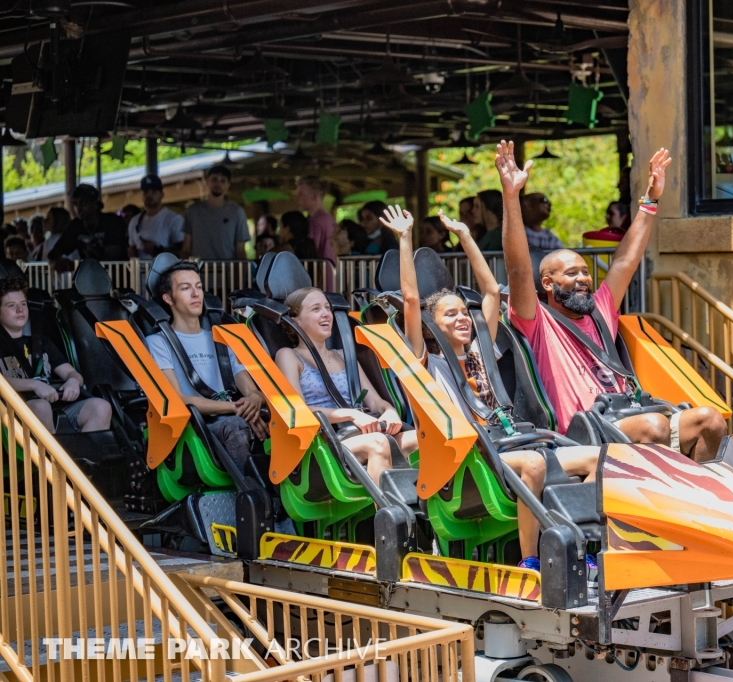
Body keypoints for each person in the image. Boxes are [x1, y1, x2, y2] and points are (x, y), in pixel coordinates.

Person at [379, 204, 598, 571]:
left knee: (596, 458)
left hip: (509, 444)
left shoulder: (481, 350)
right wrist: (405, 240)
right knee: (532, 464)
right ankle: (531, 560)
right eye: (451, 315)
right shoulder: (426, 362)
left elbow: (491, 294)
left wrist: (466, 236)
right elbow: (412, 301)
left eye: (464, 312)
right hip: (466, 465)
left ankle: (585, 548)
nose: (464, 318)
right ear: (432, 327)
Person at [500, 141, 727, 462]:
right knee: (653, 427)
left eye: (585, 271)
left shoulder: (599, 313)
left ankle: (705, 499)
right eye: (571, 273)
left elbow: (624, 262)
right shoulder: (536, 321)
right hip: (581, 434)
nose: (583, 279)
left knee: (710, 421)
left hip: (626, 414)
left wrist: (651, 200)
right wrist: (511, 197)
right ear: (548, 283)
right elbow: (519, 270)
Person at [275, 286, 416, 485]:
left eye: (327, 308)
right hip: (324, 442)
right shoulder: (289, 355)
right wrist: (352, 414)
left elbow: (375, 402)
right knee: (378, 444)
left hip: (364, 432)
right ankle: (390, 513)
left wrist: (390, 411)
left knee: (424, 440)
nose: (326, 314)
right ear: (295, 320)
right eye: (316, 309)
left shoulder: (344, 356)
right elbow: (298, 411)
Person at [146, 262, 267, 470]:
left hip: (233, 415)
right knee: (235, 425)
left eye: (199, 287)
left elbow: (250, 389)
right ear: (168, 298)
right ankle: (253, 494)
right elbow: (177, 400)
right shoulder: (158, 342)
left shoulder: (221, 338)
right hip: (195, 427)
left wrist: (255, 400)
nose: (196, 294)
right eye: (185, 288)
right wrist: (235, 408)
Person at [0, 277, 111, 434]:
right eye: (11, 305)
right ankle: (52, 458)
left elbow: (72, 373)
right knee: (42, 407)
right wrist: (34, 385)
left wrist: (73, 382)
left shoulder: (41, 341)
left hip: (53, 404)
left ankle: (83, 457)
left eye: (23, 304)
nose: (20, 310)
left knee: (101, 407)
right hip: (13, 409)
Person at [48, 184, 129, 271]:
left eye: (83, 203)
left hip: (118, 276)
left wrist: (75, 265)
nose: (78, 208)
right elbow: (54, 253)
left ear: (94, 203)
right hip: (91, 279)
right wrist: (56, 263)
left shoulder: (111, 221)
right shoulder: (75, 226)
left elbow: (116, 251)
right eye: (75, 204)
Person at [181, 165, 249, 261]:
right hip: (198, 271)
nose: (218, 184)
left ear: (228, 184)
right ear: (207, 181)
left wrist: (241, 275)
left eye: (223, 181)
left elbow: (240, 250)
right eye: (214, 179)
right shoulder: (192, 211)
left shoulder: (237, 212)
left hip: (227, 272)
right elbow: (186, 248)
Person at [127, 175, 185, 260]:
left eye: (153, 192)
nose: (149, 196)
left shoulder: (174, 219)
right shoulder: (134, 221)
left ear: (161, 194)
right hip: (141, 272)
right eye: (145, 192)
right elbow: (132, 247)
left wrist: (158, 250)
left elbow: (184, 251)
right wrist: (132, 252)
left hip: (166, 272)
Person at [295, 177, 338, 262]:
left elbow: (309, 253)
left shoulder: (316, 221)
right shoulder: (329, 218)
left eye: (301, 194)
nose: (297, 199)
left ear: (314, 197)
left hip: (319, 272)